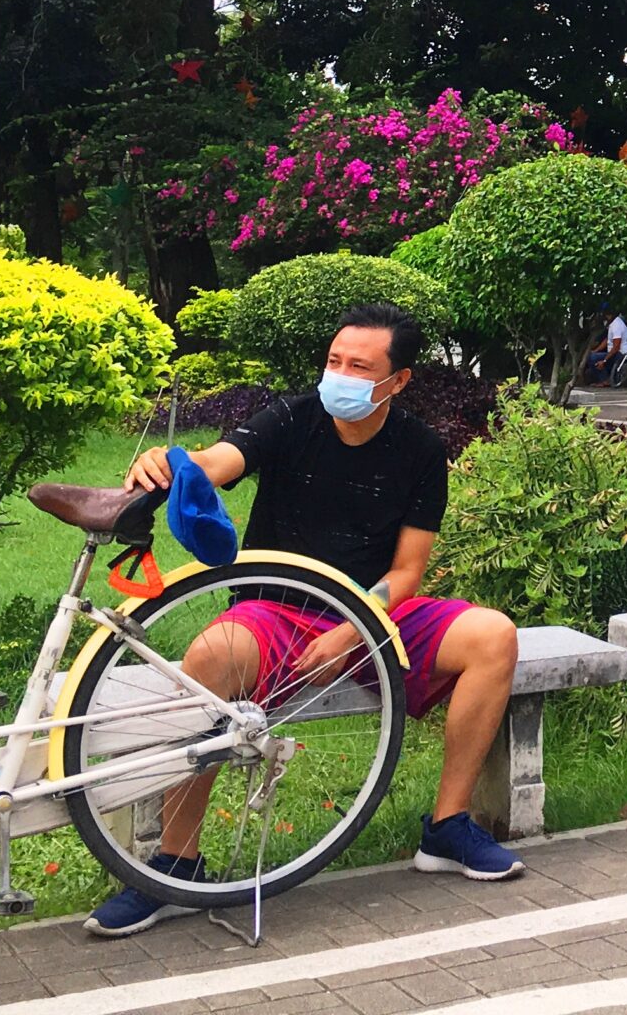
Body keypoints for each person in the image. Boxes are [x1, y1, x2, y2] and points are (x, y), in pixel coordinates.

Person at [87, 303, 525, 937]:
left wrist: (357, 627)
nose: (340, 375)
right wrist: (174, 464)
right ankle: (175, 865)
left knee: (495, 635)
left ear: (397, 381)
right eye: (334, 361)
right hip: (277, 607)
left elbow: (407, 572)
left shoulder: (422, 449)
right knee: (209, 657)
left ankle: (448, 829)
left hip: (371, 610)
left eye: (359, 366)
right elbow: (221, 461)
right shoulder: (293, 417)